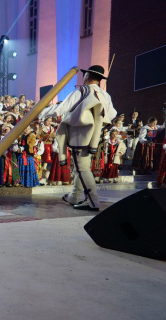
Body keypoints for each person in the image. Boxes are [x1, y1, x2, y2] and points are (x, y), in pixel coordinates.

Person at [39, 65, 117, 211]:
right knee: (82, 167)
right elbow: (112, 114)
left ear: (87, 76)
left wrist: (40, 113)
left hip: (80, 135)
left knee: (82, 169)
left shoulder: (82, 91)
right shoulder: (105, 95)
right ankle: (74, 196)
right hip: (95, 137)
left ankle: (93, 202)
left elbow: (60, 109)